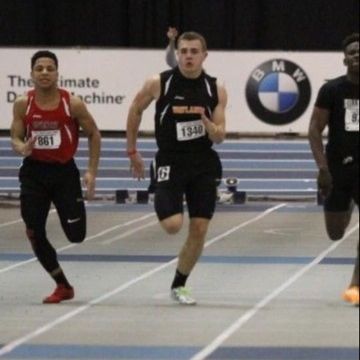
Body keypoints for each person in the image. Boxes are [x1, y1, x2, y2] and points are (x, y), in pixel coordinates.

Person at [127, 32, 227, 305]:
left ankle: (179, 284)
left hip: (203, 163)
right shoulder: (159, 83)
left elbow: (220, 136)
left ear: (204, 55)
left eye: (195, 51)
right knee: (173, 226)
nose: (189, 56)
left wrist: (211, 129)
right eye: (184, 51)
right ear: (178, 54)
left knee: (199, 228)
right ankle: (165, 197)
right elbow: (135, 110)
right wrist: (132, 150)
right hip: (170, 160)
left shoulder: (215, 89)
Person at [10, 50, 101, 304]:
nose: (45, 73)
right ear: (31, 74)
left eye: (50, 68)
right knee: (33, 230)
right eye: (39, 69)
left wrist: (91, 171)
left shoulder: (72, 103)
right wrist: (21, 147)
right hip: (34, 173)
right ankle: (62, 285)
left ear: (57, 73)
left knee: (76, 235)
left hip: (64, 173)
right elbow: (15, 136)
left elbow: (94, 134)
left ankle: (72, 225)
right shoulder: (22, 103)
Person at [308, 33, 359, 306]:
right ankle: (346, 203)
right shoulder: (332, 90)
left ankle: (356, 284)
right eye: (353, 52)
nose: (357, 56)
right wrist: (322, 168)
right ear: (344, 59)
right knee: (335, 233)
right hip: (339, 167)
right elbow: (315, 129)